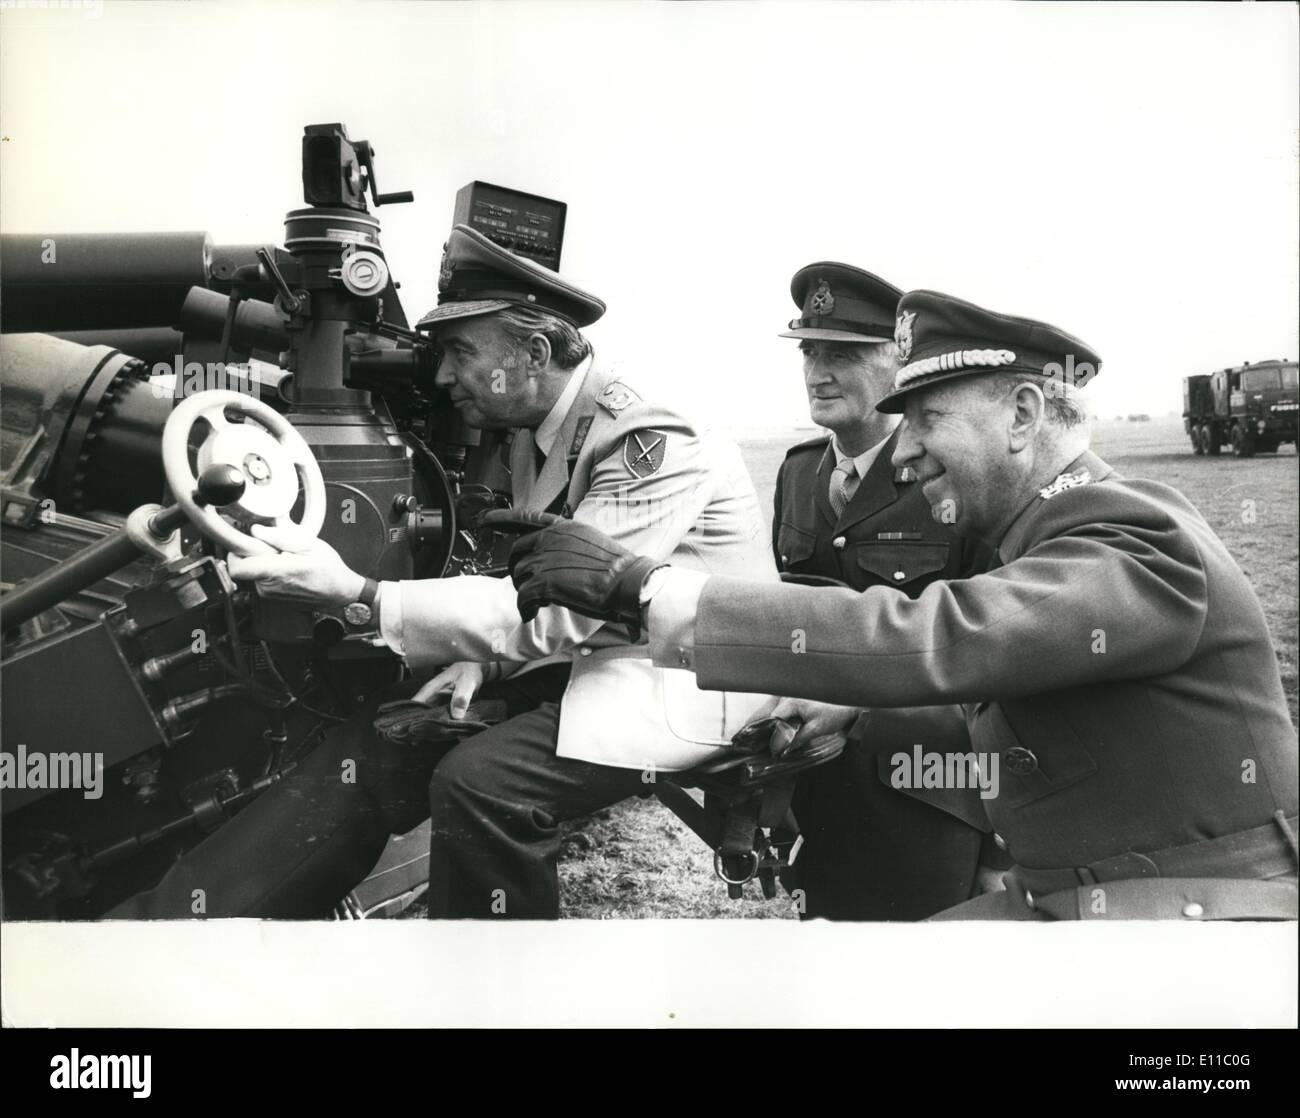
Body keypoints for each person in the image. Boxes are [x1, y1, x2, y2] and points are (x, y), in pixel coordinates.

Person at [499, 288, 1300, 920]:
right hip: (1087, 894)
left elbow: (942, 636)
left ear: (1022, 414)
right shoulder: (1048, 532)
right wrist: (847, 713)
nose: (905, 455)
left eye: (927, 420)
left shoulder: (1132, 534)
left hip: (1199, 918)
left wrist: (642, 586)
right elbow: (1007, 689)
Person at [113, 225, 778, 919]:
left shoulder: (647, 434)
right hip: (605, 654)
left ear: (535, 352)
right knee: (389, 731)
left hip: (693, 675)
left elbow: (565, 609)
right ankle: (186, 923)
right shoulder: (537, 431)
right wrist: (486, 669)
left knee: (480, 784)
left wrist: (362, 595)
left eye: (460, 352)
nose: (440, 376)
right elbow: (545, 595)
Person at [771, 263, 994, 919]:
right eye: (810, 351)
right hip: (815, 791)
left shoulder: (950, 477)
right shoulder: (798, 473)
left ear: (900, 364)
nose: (818, 371)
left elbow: (994, 653)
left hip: (928, 795)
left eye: (842, 353)